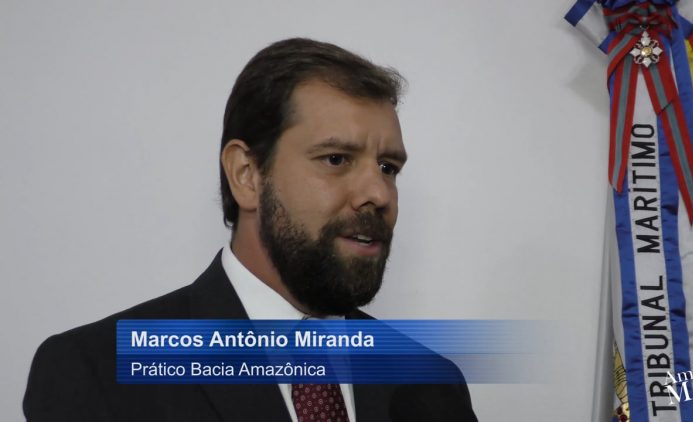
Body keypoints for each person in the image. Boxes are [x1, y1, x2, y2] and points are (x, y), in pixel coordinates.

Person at [23, 38, 476, 422]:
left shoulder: (430, 384)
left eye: (388, 167)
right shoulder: (96, 372)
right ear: (247, 175)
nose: (378, 192)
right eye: (336, 159)